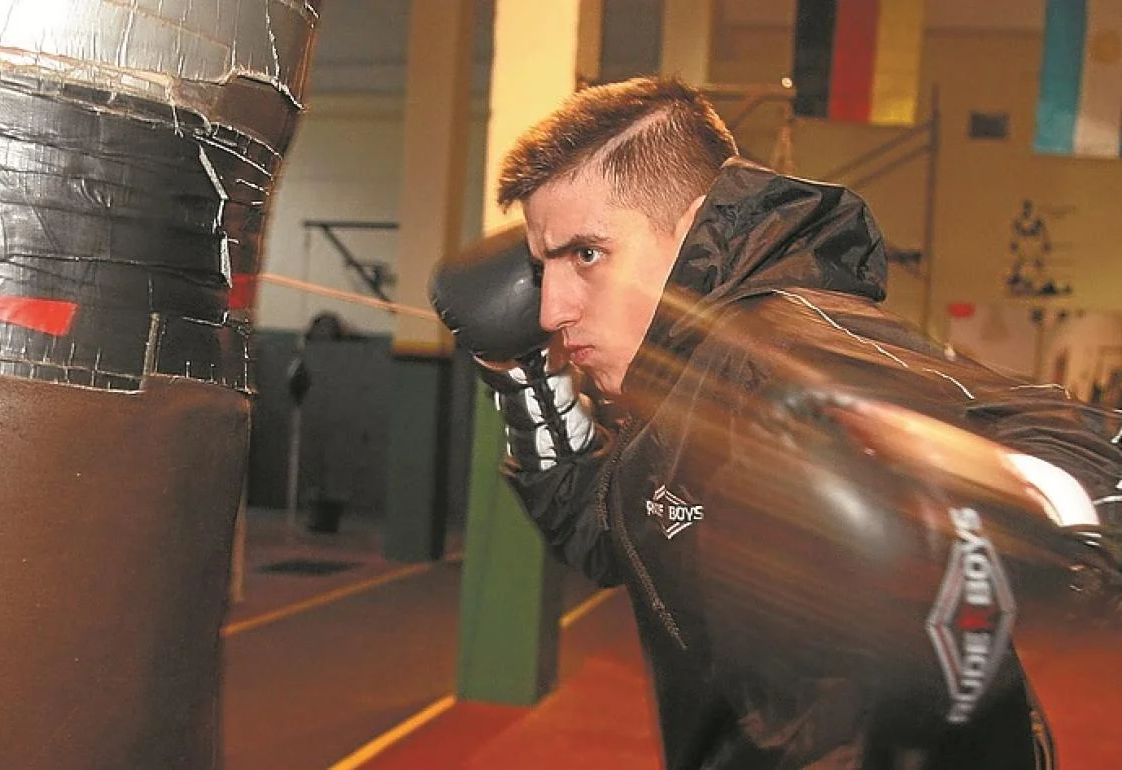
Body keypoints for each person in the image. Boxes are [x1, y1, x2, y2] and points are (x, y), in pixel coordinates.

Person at [431, 76, 1122, 769]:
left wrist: (998, 507)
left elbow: (1080, 450)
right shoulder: (673, 383)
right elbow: (604, 532)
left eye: (587, 255)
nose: (551, 309)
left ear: (691, 223)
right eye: (542, 266)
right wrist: (523, 376)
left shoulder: (781, 345)